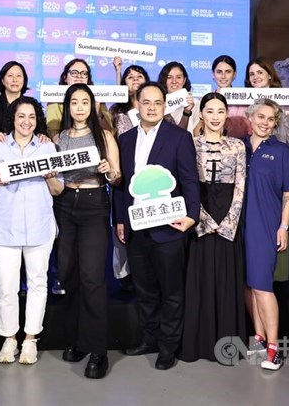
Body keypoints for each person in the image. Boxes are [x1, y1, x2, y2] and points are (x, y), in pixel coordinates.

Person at [113, 82, 200, 370]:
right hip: (136, 228)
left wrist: (192, 215)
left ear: (165, 106)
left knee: (171, 290)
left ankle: (168, 346)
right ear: (136, 104)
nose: (151, 107)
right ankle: (149, 338)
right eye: (146, 102)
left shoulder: (179, 137)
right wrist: (121, 219)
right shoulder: (124, 139)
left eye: (157, 103)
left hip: (170, 226)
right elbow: (121, 186)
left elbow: (189, 179)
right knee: (145, 288)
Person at [0, 96, 63, 365]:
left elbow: (58, 189)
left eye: (31, 117)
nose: (26, 122)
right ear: (12, 119)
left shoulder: (48, 147)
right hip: (5, 226)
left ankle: (30, 339)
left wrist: (51, 178)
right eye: (21, 116)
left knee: (38, 283)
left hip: (40, 225)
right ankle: (9, 338)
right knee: (7, 285)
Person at [53, 83, 121, 379]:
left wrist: (109, 170)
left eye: (85, 102)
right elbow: (53, 178)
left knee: (92, 277)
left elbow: (117, 178)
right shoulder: (58, 139)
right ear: (67, 107)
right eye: (74, 102)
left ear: (92, 106)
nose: (79, 107)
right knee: (68, 274)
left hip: (94, 204)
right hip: (65, 204)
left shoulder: (104, 136)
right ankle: (78, 340)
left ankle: (98, 350)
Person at [181, 93, 247, 363]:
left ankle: (228, 346)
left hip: (229, 218)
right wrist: (203, 219)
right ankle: (199, 344)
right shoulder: (190, 144)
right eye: (210, 111)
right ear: (201, 114)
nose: (216, 116)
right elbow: (187, 184)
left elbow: (241, 185)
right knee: (200, 278)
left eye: (221, 111)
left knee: (227, 279)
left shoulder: (238, 146)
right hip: (200, 217)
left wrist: (229, 221)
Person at [243, 99, 289, 371]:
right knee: (247, 285)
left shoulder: (281, 152)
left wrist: (283, 227)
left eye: (271, 119)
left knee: (262, 286)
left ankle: (274, 348)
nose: (265, 123)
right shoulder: (238, 147)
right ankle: (258, 337)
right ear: (250, 117)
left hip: (265, 226)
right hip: (237, 226)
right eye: (261, 117)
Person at [108, 58, 149, 291]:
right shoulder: (116, 111)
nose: (135, 79)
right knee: (122, 227)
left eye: (139, 76)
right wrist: (117, 71)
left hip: (148, 177)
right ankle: (125, 276)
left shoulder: (155, 110)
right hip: (123, 176)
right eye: (130, 76)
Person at [244, 58, 289, 146]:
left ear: (270, 75)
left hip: (277, 151)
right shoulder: (242, 101)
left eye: (260, 72)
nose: (255, 77)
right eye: (252, 74)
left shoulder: (284, 99)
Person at [45, 58, 114, 138]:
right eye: (74, 73)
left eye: (84, 73)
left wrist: (99, 114)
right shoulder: (54, 99)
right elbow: (53, 133)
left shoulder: (97, 98)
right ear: (65, 78)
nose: (79, 76)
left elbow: (109, 133)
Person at [194, 55, 249, 138]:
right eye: (219, 72)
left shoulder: (245, 100)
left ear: (234, 74)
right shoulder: (204, 100)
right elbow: (197, 133)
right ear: (213, 74)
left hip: (240, 147)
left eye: (228, 72)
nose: (223, 76)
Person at [0, 60, 37, 141]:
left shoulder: (32, 104)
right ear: (2, 80)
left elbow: (40, 128)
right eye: (10, 76)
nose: (15, 80)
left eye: (19, 76)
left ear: (24, 80)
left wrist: (42, 135)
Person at [157, 61, 198, 131]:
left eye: (178, 77)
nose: (174, 81)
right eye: (169, 77)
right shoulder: (156, 103)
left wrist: (187, 112)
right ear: (164, 80)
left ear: (184, 80)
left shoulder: (195, 103)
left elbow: (197, 134)